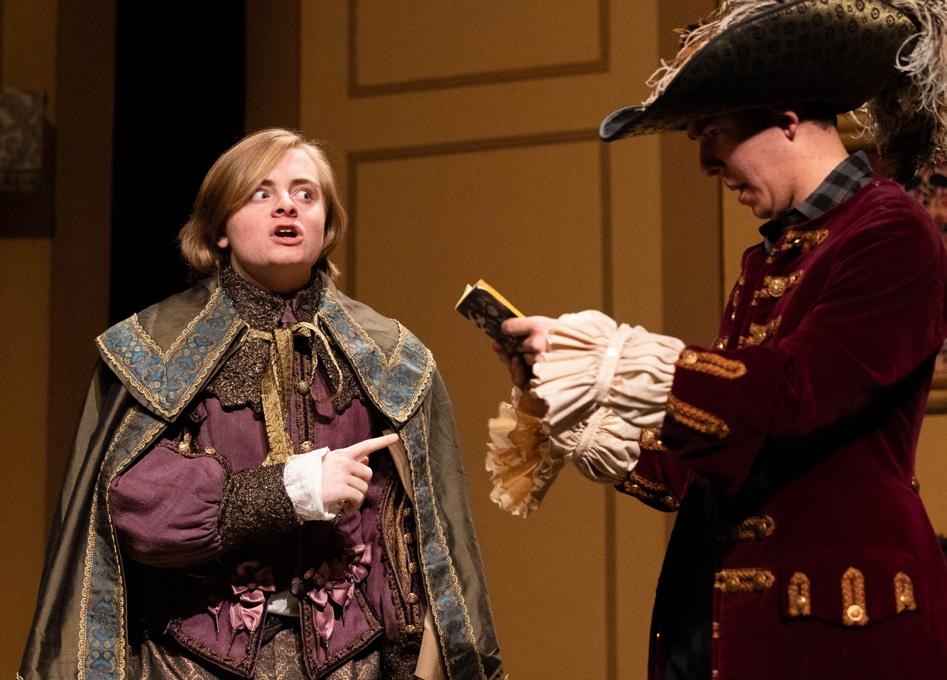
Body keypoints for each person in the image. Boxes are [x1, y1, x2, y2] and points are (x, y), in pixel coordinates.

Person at [485, 1, 947, 679]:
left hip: (837, 625)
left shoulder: (890, 231)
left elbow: (796, 390)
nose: (705, 161)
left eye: (712, 132)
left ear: (786, 117)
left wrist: (615, 360)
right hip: (737, 619)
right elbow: (723, 455)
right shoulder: (767, 259)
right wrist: (584, 410)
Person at [20, 129, 504, 680]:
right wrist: (290, 489)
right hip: (189, 662)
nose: (286, 206)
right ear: (219, 229)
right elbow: (135, 509)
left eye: (305, 193)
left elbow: (417, 543)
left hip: (352, 664)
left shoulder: (389, 357)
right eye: (261, 192)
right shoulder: (155, 347)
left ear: (326, 225)